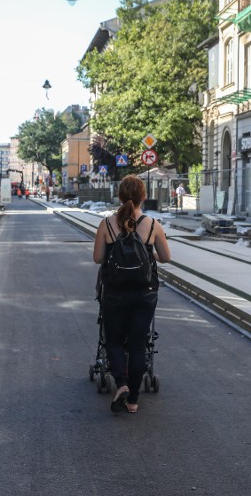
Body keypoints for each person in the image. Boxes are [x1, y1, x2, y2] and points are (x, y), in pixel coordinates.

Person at [93, 175, 171, 414]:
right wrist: (149, 255)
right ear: (143, 197)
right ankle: (134, 401)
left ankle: (122, 383)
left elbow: (98, 258)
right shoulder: (152, 224)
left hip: (115, 293)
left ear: (119, 196)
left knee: (114, 341)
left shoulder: (106, 224)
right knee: (138, 345)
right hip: (144, 294)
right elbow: (166, 257)